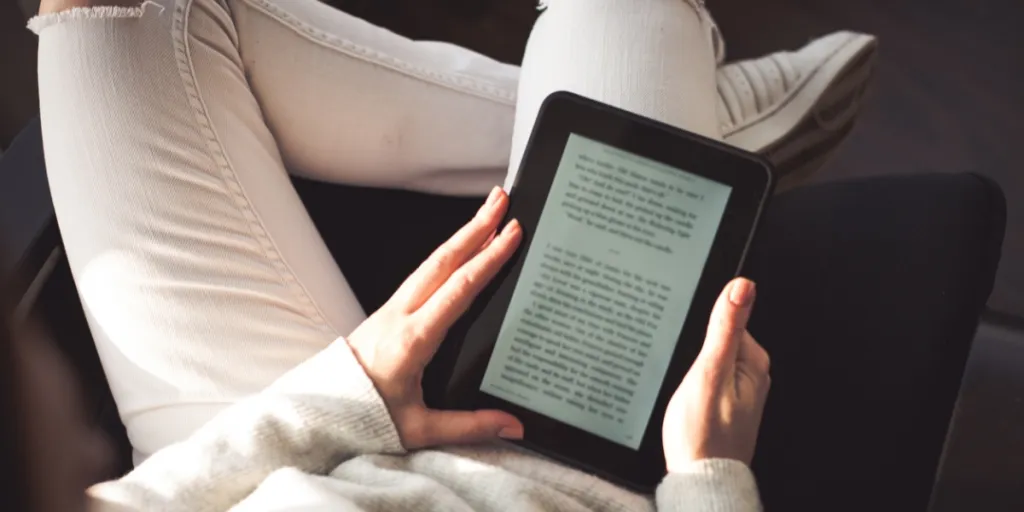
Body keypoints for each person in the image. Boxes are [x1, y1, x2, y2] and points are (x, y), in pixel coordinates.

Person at [21, 0, 877, 509]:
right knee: (625, 13)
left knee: (122, 17)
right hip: (548, 474)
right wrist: (710, 481)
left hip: (240, 475)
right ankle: (698, 143)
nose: (87, 445)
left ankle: (705, 142)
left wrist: (340, 398)